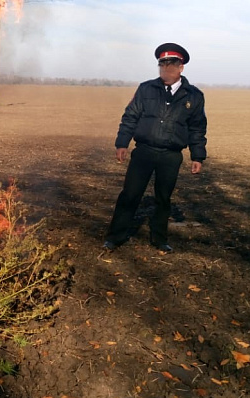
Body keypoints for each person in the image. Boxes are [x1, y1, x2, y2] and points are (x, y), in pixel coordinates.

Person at [103, 42, 207, 253]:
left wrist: (198, 156)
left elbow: (197, 128)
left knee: (163, 198)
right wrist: (122, 143)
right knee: (130, 195)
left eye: (170, 66)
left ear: (181, 68)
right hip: (144, 152)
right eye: (162, 66)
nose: (165, 71)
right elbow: (130, 116)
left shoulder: (194, 96)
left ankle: (159, 239)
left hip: (171, 156)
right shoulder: (146, 88)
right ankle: (115, 237)